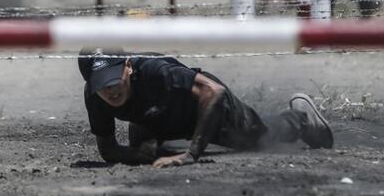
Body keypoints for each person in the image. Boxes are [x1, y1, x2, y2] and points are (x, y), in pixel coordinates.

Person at [78, 48, 333, 168]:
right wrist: (139, 156)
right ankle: (155, 143)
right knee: (143, 143)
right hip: (156, 117)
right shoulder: (95, 96)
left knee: (259, 138)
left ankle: (300, 117)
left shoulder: (155, 72)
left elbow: (213, 92)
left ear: (128, 67)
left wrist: (191, 153)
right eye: (102, 85)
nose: (111, 91)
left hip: (205, 108)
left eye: (115, 80)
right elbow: (109, 150)